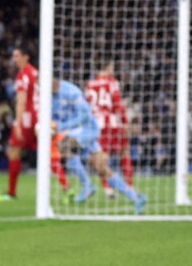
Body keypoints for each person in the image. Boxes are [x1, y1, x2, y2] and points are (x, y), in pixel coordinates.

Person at [52, 78, 146, 214]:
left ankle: (87, 185)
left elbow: (85, 116)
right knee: (101, 168)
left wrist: (61, 127)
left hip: (88, 130)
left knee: (64, 145)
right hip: (76, 133)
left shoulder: (71, 91)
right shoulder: (48, 97)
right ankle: (136, 198)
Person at [0, 47, 70, 202]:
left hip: (28, 119)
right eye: (13, 56)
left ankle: (11, 192)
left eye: (17, 56)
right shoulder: (36, 73)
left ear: (26, 57)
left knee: (14, 152)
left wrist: (18, 123)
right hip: (41, 118)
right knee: (47, 153)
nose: (14, 59)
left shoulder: (23, 76)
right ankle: (67, 188)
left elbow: (21, 101)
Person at [86, 60, 133, 198]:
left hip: (96, 124)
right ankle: (129, 186)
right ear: (108, 66)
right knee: (125, 152)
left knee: (101, 157)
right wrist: (124, 121)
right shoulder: (112, 82)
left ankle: (108, 189)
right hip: (111, 123)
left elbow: (86, 105)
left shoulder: (90, 84)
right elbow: (117, 102)